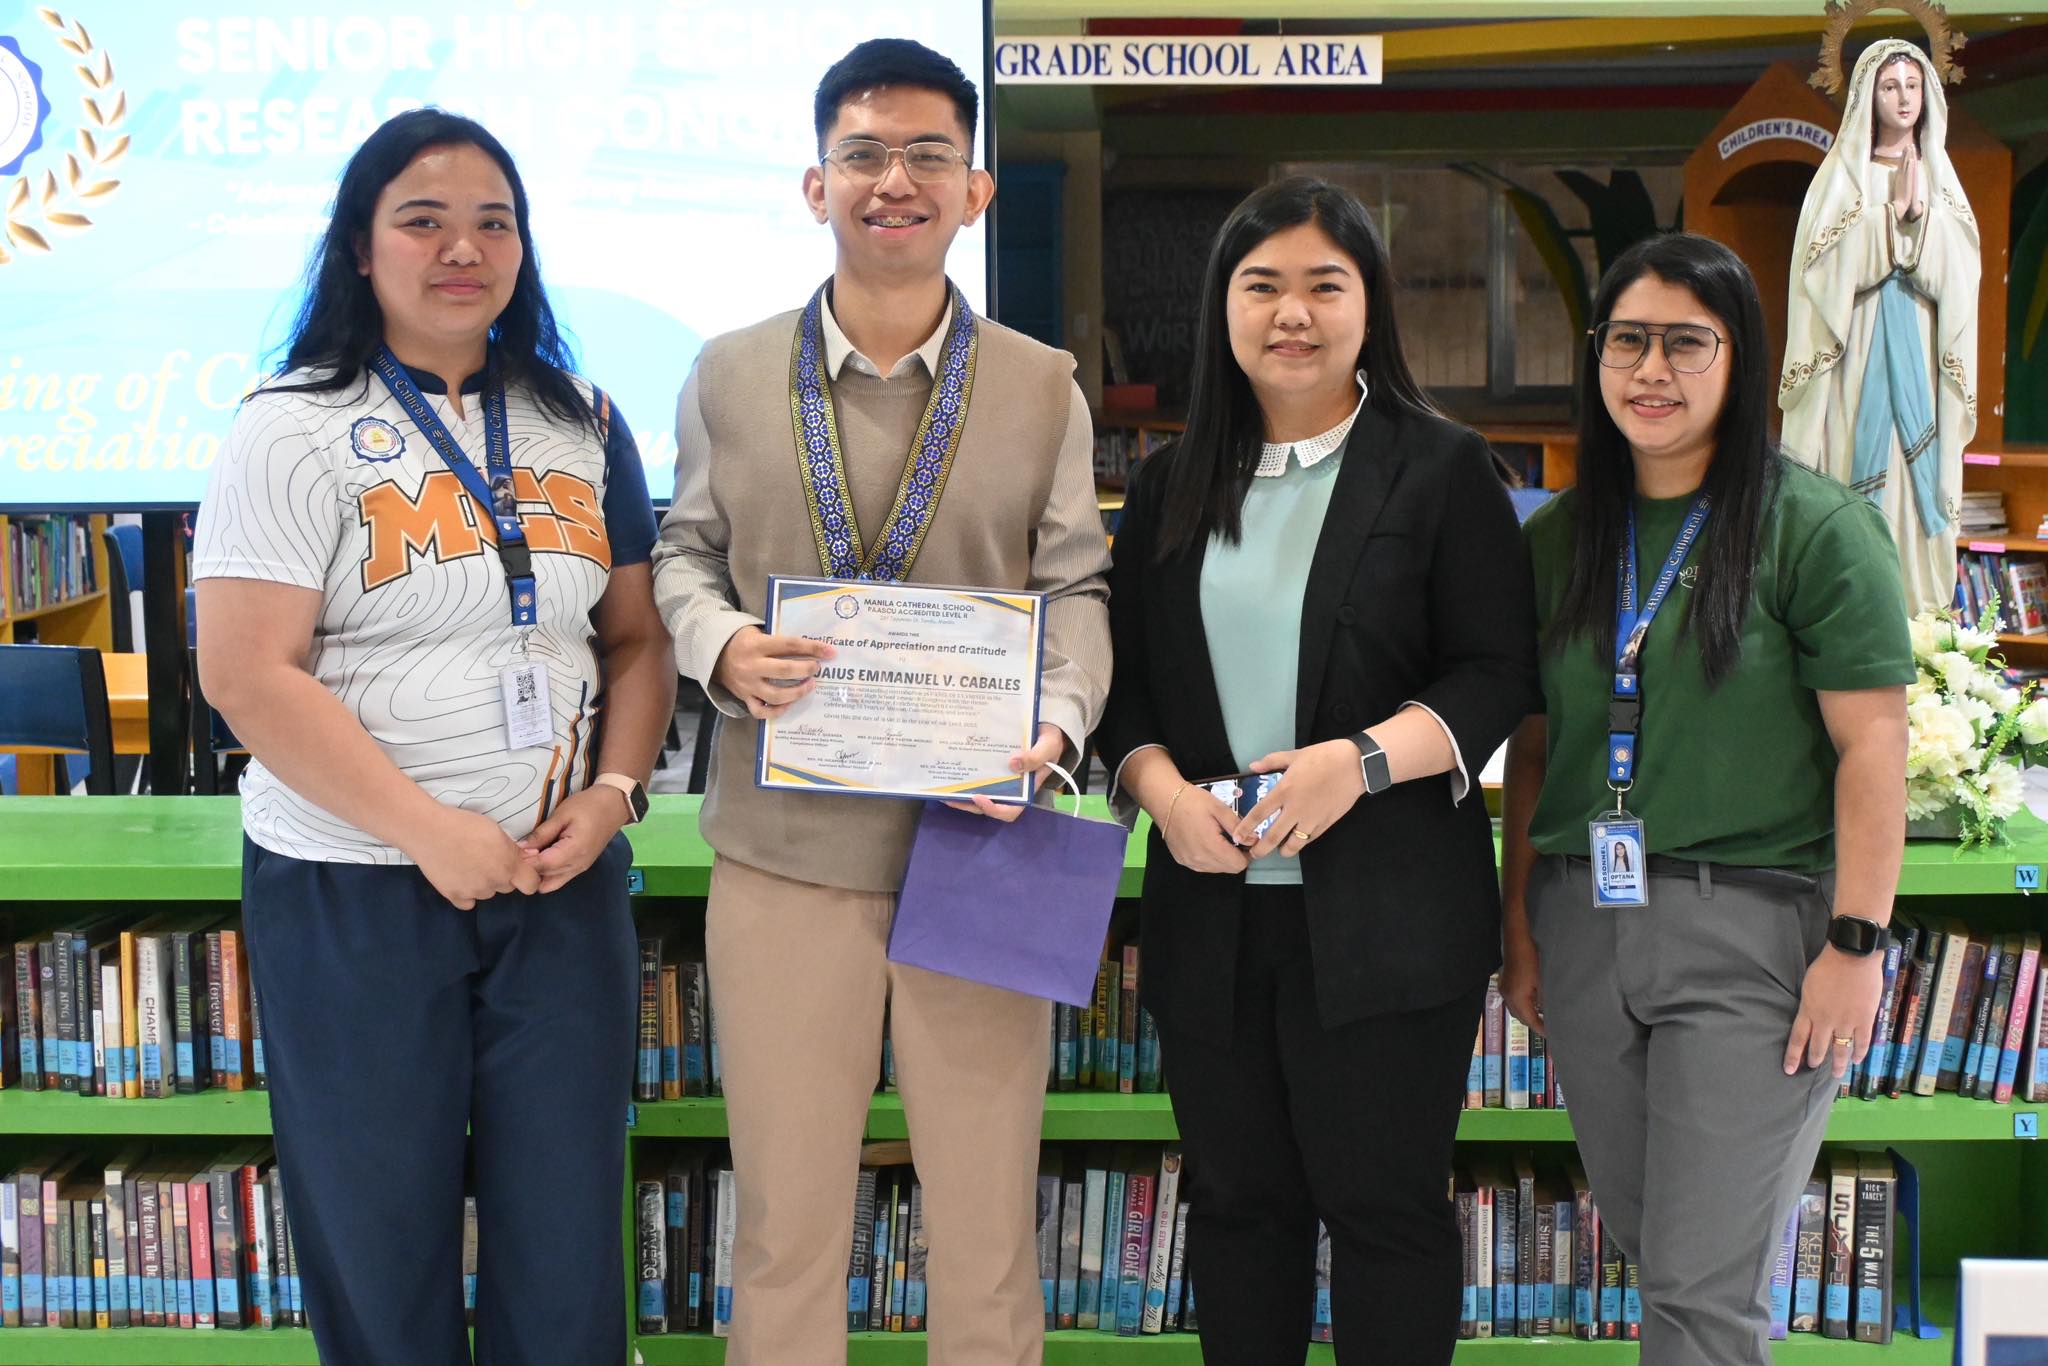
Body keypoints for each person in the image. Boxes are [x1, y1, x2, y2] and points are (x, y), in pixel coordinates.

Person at [649, 38, 1110, 1366]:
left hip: (982, 849)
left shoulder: (1041, 383)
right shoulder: (728, 372)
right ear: (816, 185)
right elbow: (682, 553)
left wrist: (1056, 724)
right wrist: (722, 644)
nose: (892, 180)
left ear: (974, 191)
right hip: (785, 860)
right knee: (787, 1225)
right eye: (862, 154)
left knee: (986, 1228)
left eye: (925, 155)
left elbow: (1075, 585)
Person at [192, 108, 673, 1365]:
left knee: (565, 1242)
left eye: (493, 223)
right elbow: (245, 673)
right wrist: (425, 830)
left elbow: (634, 640)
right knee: (378, 1236)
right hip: (354, 886)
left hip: (558, 884)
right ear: (360, 247)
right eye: (423, 220)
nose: (463, 248)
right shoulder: (288, 422)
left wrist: (616, 793)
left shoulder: (582, 418)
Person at [1094, 175, 1538, 1363]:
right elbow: (1125, 689)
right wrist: (1161, 795)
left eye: (1322, 286)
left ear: (1367, 305)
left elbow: (1496, 671)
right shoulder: (1166, 483)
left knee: (1385, 1214)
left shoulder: (1440, 468)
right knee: (1238, 1211)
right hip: (1211, 913)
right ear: (1222, 308)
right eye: (1261, 287)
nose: (1290, 313)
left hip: (1388, 920)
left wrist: (1362, 761)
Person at [1501, 231, 1913, 1366]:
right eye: (1627, 340)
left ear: (1741, 361)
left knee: (1699, 1285)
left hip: (1753, 930)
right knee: (1662, 1255)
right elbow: (1536, 744)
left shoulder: (1813, 527)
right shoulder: (1558, 539)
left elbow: (1874, 746)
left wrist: (1857, 943)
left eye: (1687, 343)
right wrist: (1520, 925)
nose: (1652, 370)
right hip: (1585, 924)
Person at [1781, 38, 1980, 614]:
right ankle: (1854, 598)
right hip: (1857, 348)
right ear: (1869, 95)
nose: (1903, 98)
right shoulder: (1841, 178)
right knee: (1851, 452)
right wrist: (1888, 219)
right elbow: (1821, 271)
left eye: (1913, 86)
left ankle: (1920, 607)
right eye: (1890, 87)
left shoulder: (1941, 179)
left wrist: (1922, 222)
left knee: (1916, 475)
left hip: (1920, 343)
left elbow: (1963, 272)